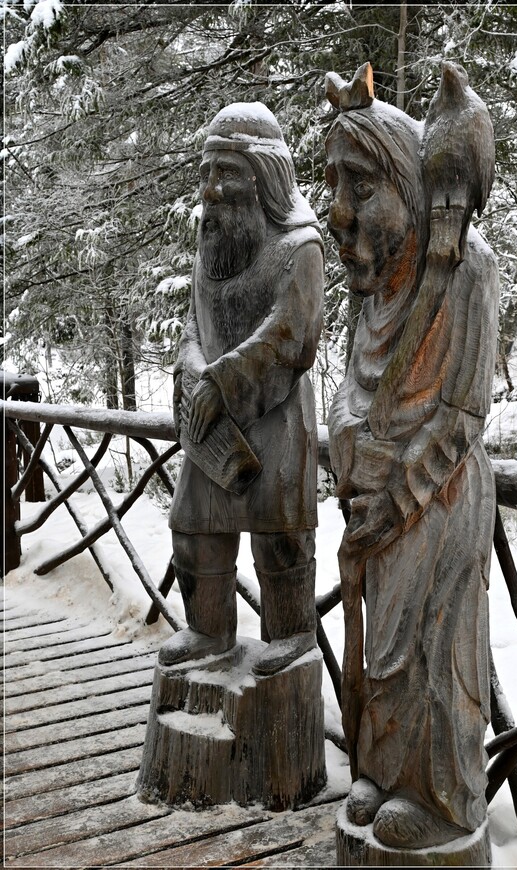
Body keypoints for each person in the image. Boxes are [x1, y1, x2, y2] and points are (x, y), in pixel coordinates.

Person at [325, 63, 499, 852]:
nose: (339, 212)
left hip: (435, 499)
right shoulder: (375, 298)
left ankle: (441, 796)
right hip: (375, 511)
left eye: (359, 188)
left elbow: (464, 412)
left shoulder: (467, 272)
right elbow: (351, 389)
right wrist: (345, 446)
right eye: (333, 186)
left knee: (428, 654)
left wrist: (400, 490)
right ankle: (383, 772)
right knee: (378, 655)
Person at [162, 102, 323, 677]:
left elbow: (290, 337)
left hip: (276, 422)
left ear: (264, 176)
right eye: (206, 173)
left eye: (225, 172)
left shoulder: (298, 250)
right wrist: (189, 374)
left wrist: (224, 382)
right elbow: (191, 326)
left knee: (280, 541)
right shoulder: (211, 246)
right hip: (212, 429)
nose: (210, 189)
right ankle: (209, 628)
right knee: (195, 532)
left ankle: (291, 634)